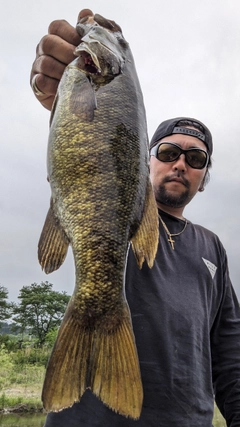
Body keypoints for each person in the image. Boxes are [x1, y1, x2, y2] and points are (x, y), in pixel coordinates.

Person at [30, 9, 240, 427]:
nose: (180, 163)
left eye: (195, 158)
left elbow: (229, 348)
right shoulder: (119, 215)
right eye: (167, 152)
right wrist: (62, 102)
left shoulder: (211, 246)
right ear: (144, 161)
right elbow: (94, 152)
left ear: (204, 175)